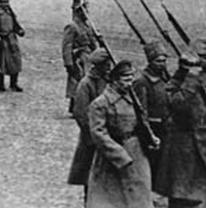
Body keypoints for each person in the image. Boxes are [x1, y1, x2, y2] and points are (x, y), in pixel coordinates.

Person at [86, 59, 153, 208]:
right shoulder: (100, 103)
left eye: (131, 79)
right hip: (111, 158)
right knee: (110, 197)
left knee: (139, 194)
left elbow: (141, 121)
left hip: (136, 152)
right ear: (115, 80)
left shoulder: (132, 99)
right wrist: (119, 155)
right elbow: (98, 133)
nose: (130, 83)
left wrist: (151, 138)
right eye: (126, 79)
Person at [155, 38, 206, 208]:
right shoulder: (179, 80)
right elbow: (179, 105)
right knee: (183, 199)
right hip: (184, 151)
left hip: (200, 146)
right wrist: (190, 76)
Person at [67, 48, 111, 202]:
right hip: (91, 138)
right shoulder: (86, 84)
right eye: (106, 65)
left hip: (108, 137)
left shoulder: (109, 81)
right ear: (98, 66)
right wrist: (93, 134)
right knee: (89, 175)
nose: (109, 68)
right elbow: (81, 113)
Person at [132, 40, 170, 186]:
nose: (163, 64)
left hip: (166, 129)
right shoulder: (142, 82)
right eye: (159, 61)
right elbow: (141, 112)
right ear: (150, 61)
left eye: (164, 60)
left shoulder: (164, 79)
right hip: (153, 131)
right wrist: (149, 136)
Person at [63, 3, 97, 114]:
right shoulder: (72, 26)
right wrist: (69, 63)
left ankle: (82, 107)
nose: (86, 14)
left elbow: (92, 42)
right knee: (77, 83)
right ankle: (75, 108)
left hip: (88, 57)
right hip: (78, 59)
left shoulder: (88, 26)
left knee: (86, 82)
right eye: (84, 11)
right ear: (78, 12)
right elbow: (67, 46)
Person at [0, 0, 25, 92]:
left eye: (7, 2)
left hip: (12, 40)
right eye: (3, 2)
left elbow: (15, 25)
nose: (5, 4)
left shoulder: (11, 13)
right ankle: (1, 85)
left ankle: (13, 84)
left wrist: (20, 31)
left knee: (16, 61)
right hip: (2, 41)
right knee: (2, 63)